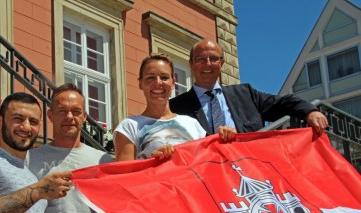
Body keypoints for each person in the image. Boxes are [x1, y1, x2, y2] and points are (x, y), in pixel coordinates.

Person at [26, 83, 118, 213]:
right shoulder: (31, 159)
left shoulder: (103, 160)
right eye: (62, 111)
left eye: (76, 111)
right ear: (50, 115)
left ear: (84, 116)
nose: (70, 117)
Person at [170, 39, 328, 136]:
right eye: (201, 59)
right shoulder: (175, 107)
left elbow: (284, 102)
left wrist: (310, 111)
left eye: (214, 59)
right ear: (191, 64)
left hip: (249, 174)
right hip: (205, 179)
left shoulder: (246, 94)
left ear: (222, 64)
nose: (208, 64)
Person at [114, 53, 236, 161]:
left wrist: (227, 139)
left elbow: (208, 163)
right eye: (150, 77)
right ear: (141, 83)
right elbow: (123, 177)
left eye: (164, 77)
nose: (158, 82)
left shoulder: (193, 124)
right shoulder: (128, 127)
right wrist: (150, 162)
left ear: (173, 82)